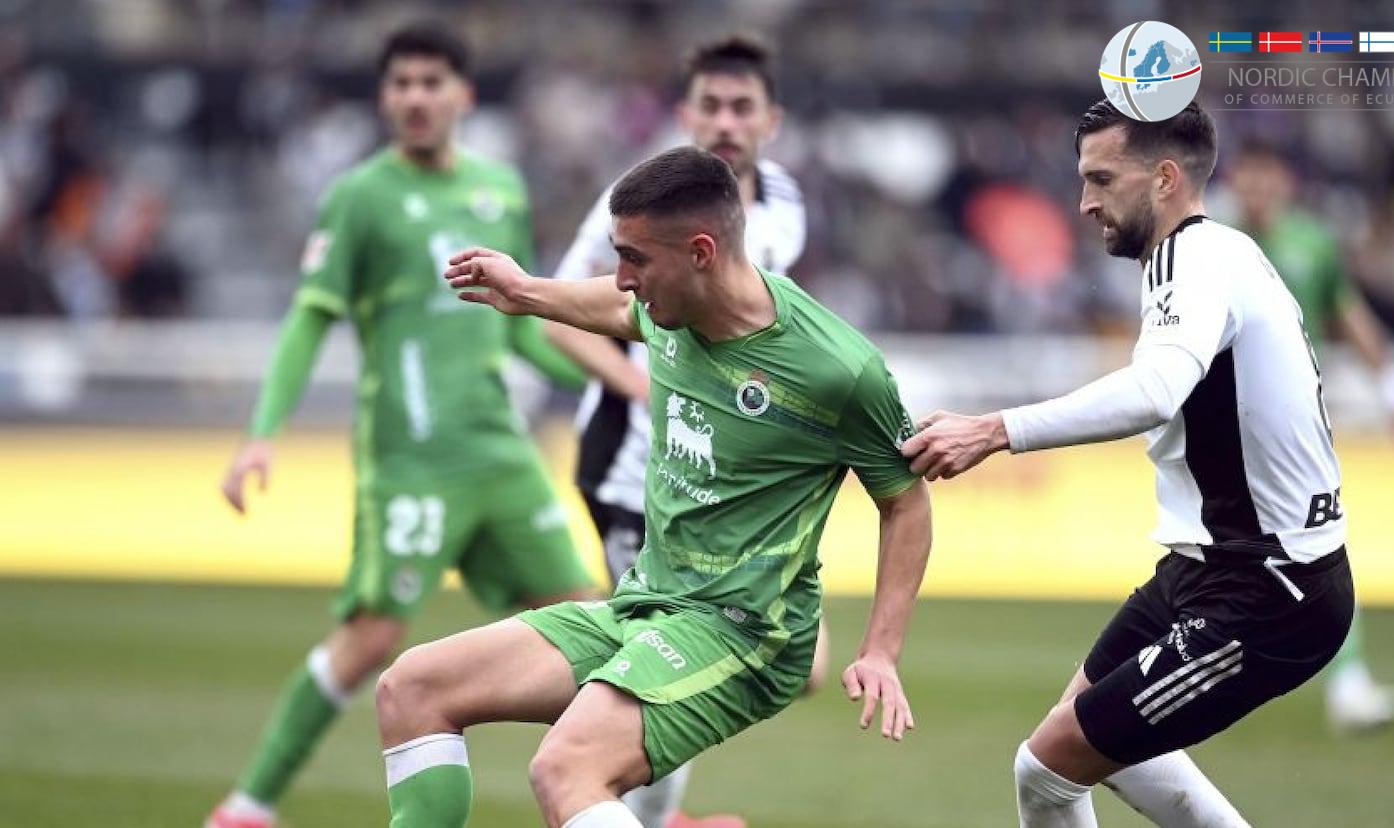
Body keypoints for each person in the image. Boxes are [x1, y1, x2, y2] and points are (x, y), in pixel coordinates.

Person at [376, 145, 932, 828]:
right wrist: (525, 292)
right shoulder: (670, 311)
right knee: (413, 687)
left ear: (700, 251)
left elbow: (904, 499)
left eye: (634, 258)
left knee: (566, 768)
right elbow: (612, 310)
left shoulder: (839, 370)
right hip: (644, 606)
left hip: (742, 633)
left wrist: (881, 649)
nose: (622, 277)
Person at [903, 100, 1354, 827]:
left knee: (1049, 764)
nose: (1084, 202)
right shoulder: (1215, 252)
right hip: (1207, 568)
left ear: (1165, 178)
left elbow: (1153, 391)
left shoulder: (1195, 259)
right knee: (1096, 737)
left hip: (1269, 590)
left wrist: (994, 430)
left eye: (1101, 179)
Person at [206, 24, 599, 828]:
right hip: (411, 462)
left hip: (502, 452)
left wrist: (615, 380)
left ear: (465, 95)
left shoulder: (500, 190)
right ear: (385, 98)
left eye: (432, 82)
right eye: (402, 84)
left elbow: (522, 325)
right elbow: (310, 317)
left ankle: (637, 812)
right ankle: (246, 808)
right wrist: (262, 433)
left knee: (590, 626)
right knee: (373, 635)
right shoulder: (361, 196)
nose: (416, 98)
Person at [546, 35, 808, 828]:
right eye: (712, 105)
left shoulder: (788, 203)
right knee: (667, 660)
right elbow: (563, 311)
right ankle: (632, 809)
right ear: (685, 113)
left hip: (722, 480)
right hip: (635, 475)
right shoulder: (643, 204)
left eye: (742, 106)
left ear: (772, 119)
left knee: (797, 657)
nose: (726, 121)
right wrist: (641, 380)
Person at [1229, 138, 1394, 733]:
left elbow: (1346, 312)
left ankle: (1348, 683)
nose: (1257, 188)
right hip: (1225, 430)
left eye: (1267, 174)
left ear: (1285, 180)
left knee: (1319, 544)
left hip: (1296, 429)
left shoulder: (1312, 243)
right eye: (1248, 176)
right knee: (1240, 552)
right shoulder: (1216, 244)